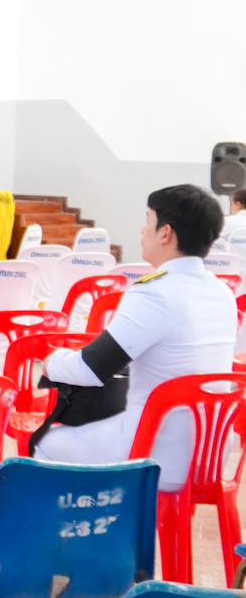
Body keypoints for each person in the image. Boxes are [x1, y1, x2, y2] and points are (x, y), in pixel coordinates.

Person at [34, 184, 236, 488]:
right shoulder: (222, 292)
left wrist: (52, 361)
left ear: (165, 233)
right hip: (210, 455)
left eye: (147, 220)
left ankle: (101, 518)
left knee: (48, 442)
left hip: (155, 454)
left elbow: (89, 369)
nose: (142, 231)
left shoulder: (154, 293)